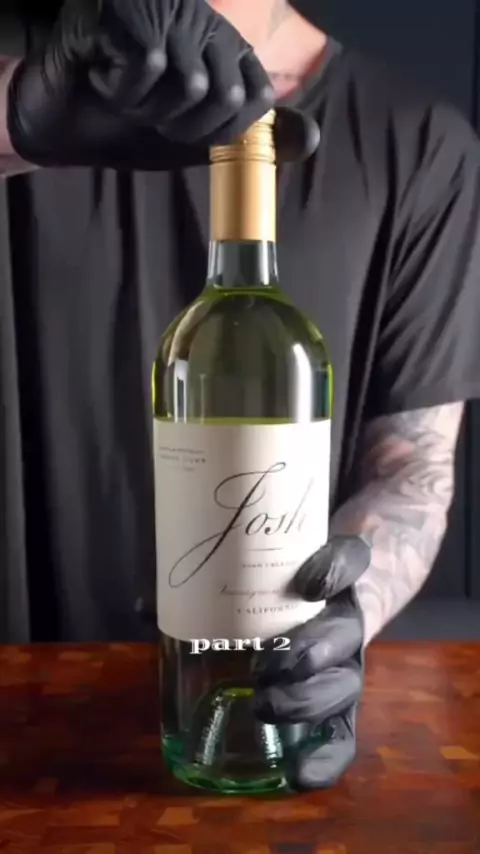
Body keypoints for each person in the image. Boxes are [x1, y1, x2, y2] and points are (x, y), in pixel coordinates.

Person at [1, 0, 480, 790]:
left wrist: (343, 616)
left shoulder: (422, 144)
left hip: (247, 687)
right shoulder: (40, 69)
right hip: (21, 716)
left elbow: (413, 470)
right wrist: (15, 115)